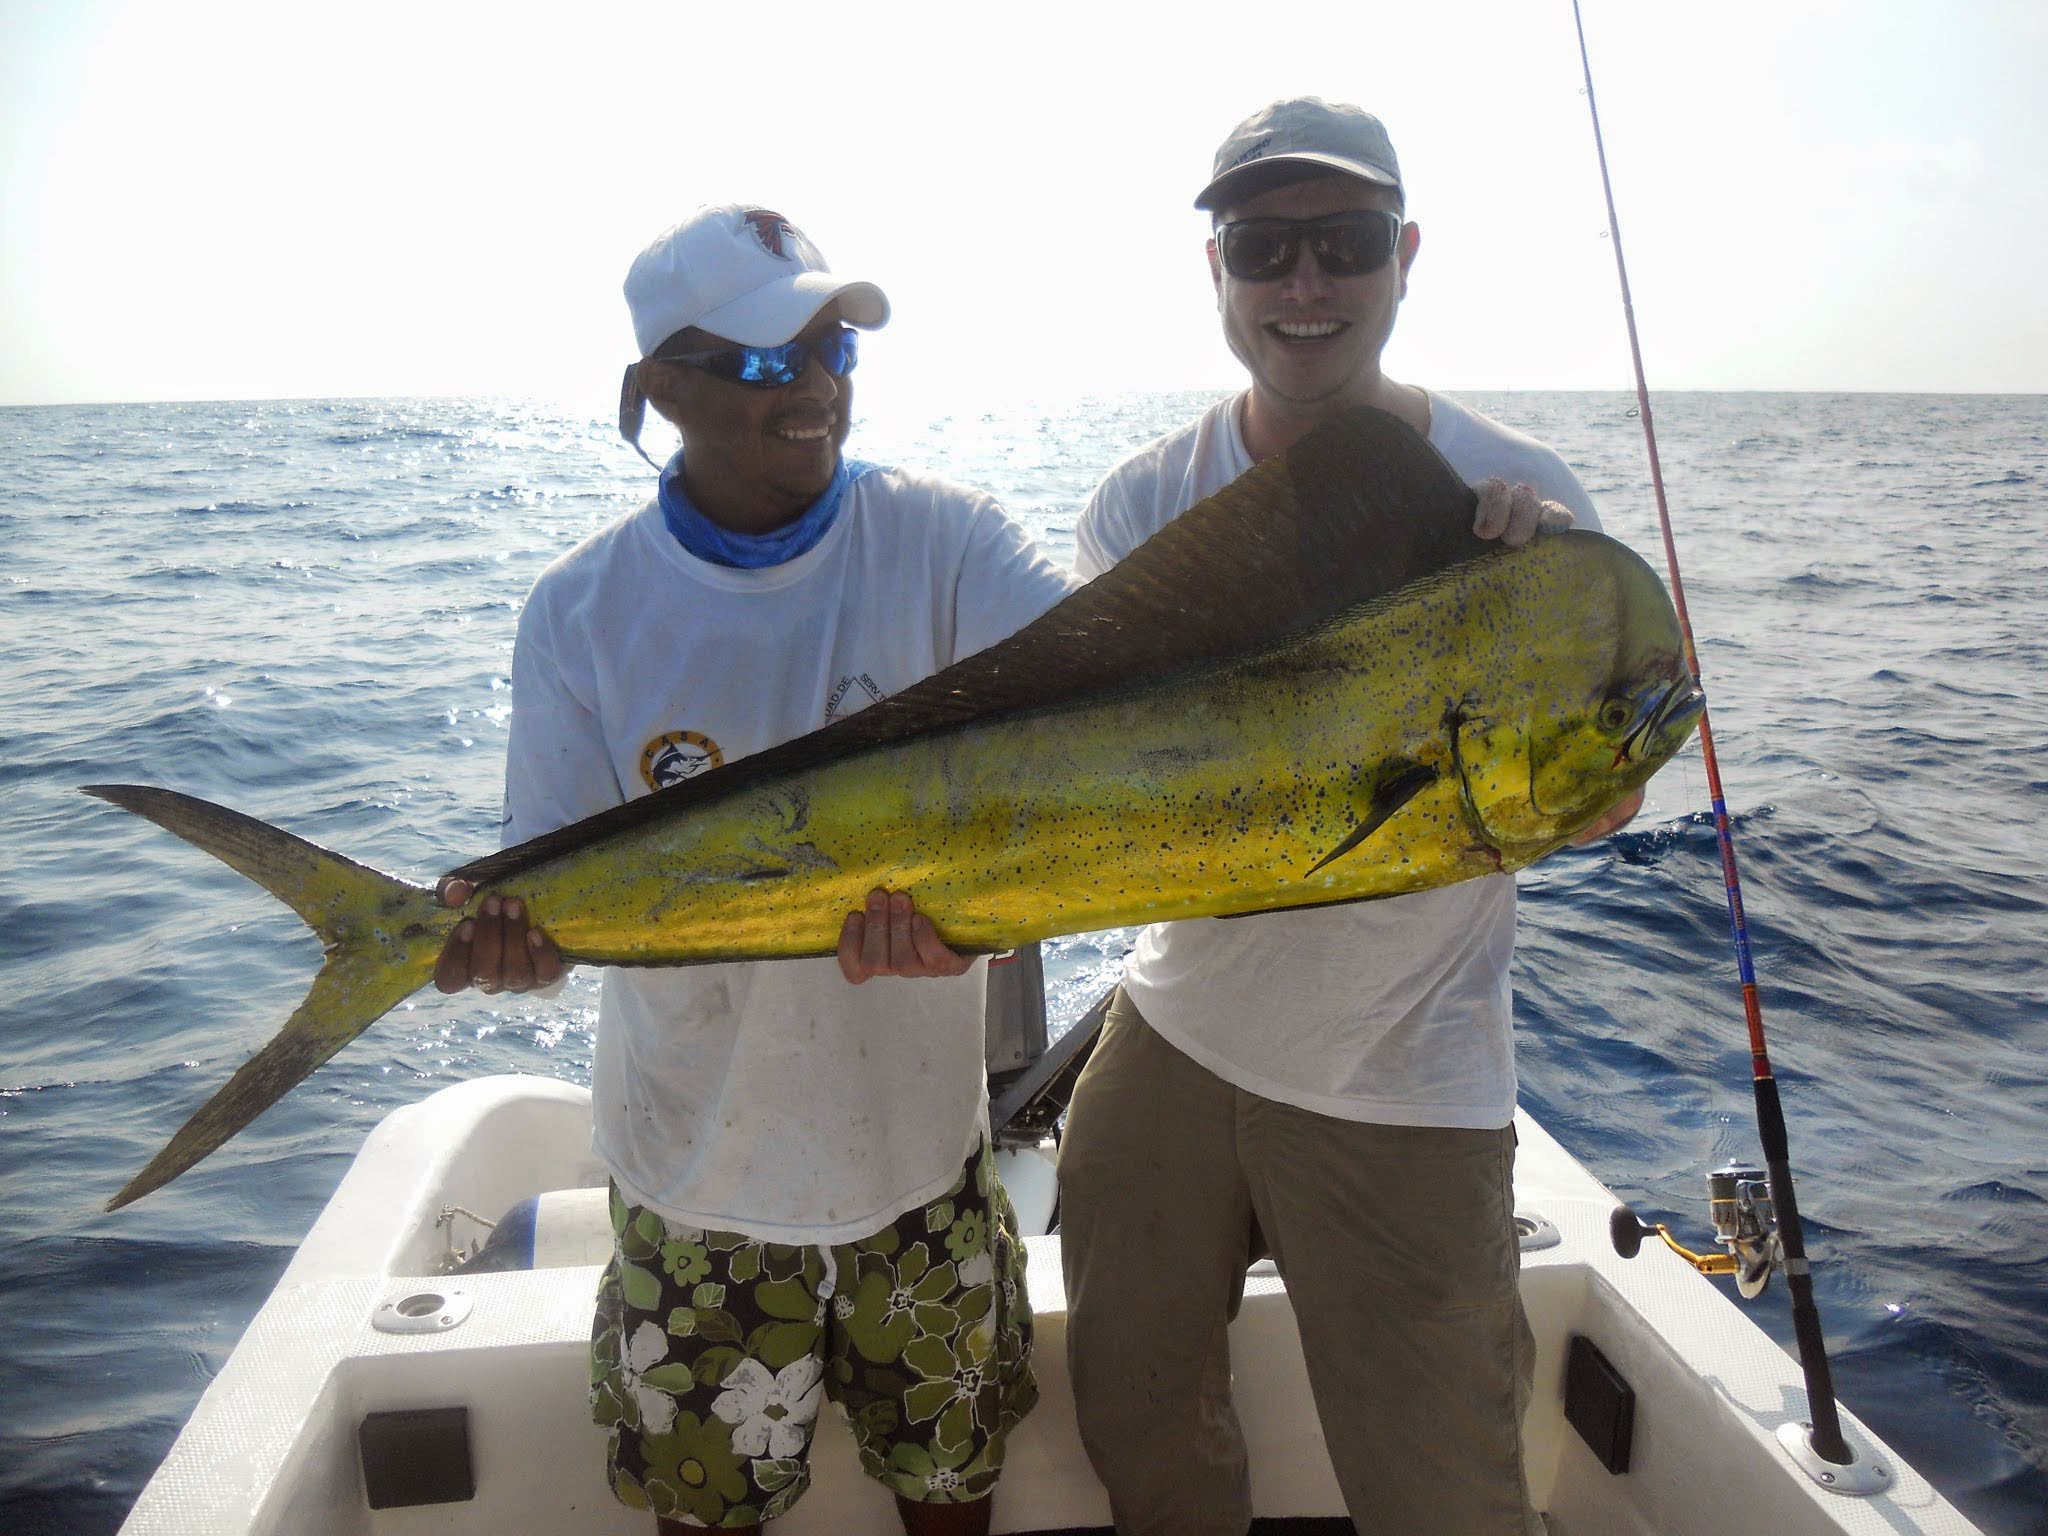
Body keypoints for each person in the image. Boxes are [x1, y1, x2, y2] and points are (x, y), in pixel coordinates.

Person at [433, 203, 1075, 1536]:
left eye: (836, 348)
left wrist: (987, 928)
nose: (820, 389)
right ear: (661, 387)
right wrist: (507, 949)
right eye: (770, 364)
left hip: (922, 1168)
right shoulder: (581, 606)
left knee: (952, 1499)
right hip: (696, 1188)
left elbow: (1104, 725)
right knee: (708, 1519)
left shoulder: (949, 542)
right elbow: (550, 891)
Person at [1057, 99, 1645, 1536]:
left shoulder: (1521, 508)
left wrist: (1525, 615)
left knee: (1442, 1489)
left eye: (1346, 244)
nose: (1304, 285)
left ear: (1406, 257)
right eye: (1264, 248)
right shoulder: (1141, 505)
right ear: (1218, 272)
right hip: (1175, 1035)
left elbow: (1611, 792)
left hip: (1403, 1076)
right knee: (1137, 1424)